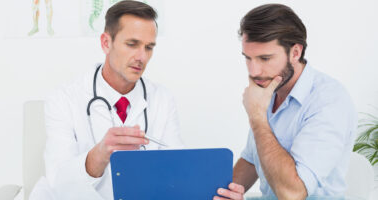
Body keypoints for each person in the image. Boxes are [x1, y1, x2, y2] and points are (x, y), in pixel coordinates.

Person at [30, 1, 184, 199]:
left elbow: (177, 170)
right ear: (106, 43)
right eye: (132, 44)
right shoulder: (63, 99)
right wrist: (99, 154)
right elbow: (59, 182)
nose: (142, 57)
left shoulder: (162, 99)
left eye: (149, 47)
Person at [214, 4, 357, 200]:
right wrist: (219, 194)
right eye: (248, 58)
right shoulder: (270, 88)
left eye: (265, 58)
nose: (254, 71)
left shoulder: (328, 101)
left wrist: (257, 117)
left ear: (295, 53)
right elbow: (250, 161)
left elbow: (292, 194)